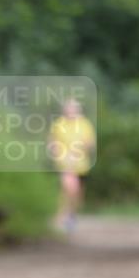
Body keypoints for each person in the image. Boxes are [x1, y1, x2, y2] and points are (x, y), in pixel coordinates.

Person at [48, 98, 96, 232]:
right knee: (69, 188)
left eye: (74, 108)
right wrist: (60, 156)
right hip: (64, 164)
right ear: (64, 110)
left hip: (81, 165)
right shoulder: (58, 124)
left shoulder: (85, 124)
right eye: (69, 108)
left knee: (78, 194)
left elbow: (90, 144)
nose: (71, 111)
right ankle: (61, 217)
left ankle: (71, 215)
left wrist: (76, 154)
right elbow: (52, 143)